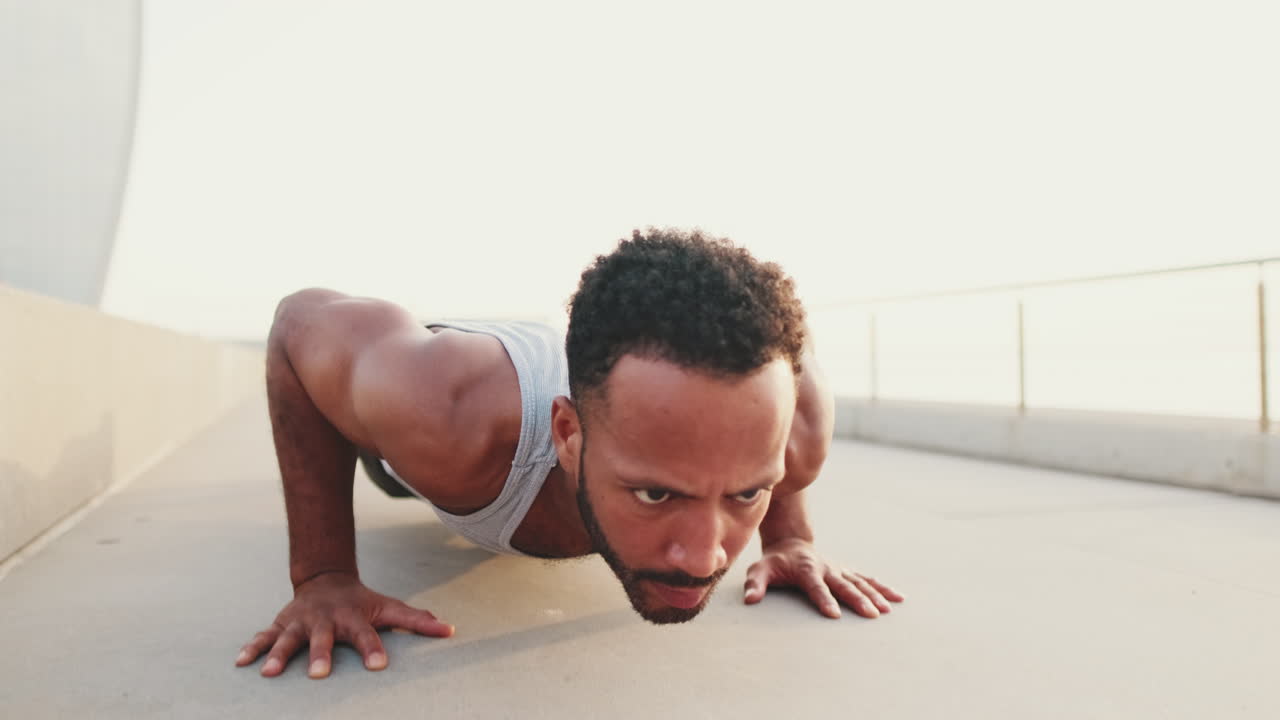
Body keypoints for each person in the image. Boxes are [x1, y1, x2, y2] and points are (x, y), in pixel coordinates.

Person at [235, 228, 903, 679]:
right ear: (567, 434)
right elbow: (299, 321)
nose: (705, 560)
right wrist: (323, 575)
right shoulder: (444, 412)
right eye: (655, 493)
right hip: (423, 443)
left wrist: (789, 537)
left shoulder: (796, 430)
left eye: (746, 493)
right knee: (387, 448)